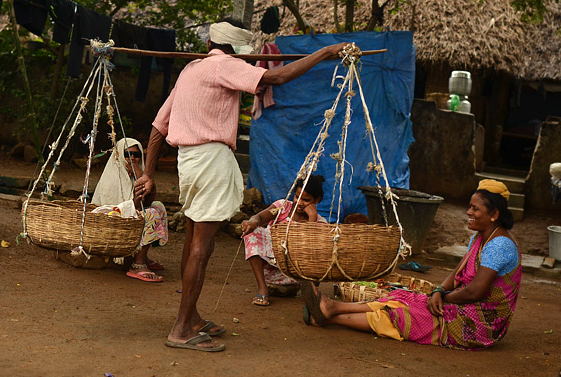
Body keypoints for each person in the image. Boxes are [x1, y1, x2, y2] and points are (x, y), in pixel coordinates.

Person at [134, 17, 348, 352]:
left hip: (189, 164)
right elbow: (276, 77)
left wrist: (148, 173)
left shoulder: (191, 70)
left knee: (195, 242)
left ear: (209, 44)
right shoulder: (225, 66)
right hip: (210, 162)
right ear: (236, 50)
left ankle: (190, 318)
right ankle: (180, 329)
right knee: (200, 250)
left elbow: (159, 126)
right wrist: (326, 52)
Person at [302, 179, 521, 350]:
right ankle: (331, 309)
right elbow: (458, 272)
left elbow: (475, 291)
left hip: (478, 323)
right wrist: (438, 290)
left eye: (475, 209)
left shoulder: (500, 245)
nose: (468, 212)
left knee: (407, 316)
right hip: (461, 304)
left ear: (494, 214)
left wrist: (443, 298)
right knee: (402, 297)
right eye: (470, 207)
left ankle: (331, 316)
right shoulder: (481, 236)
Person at [241, 175, 327, 307]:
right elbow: (259, 217)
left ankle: (303, 291)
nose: (299, 202)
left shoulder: (320, 222)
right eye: (297, 197)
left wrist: (312, 217)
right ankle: (263, 288)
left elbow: (311, 249)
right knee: (252, 233)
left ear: (317, 200)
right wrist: (252, 222)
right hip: (271, 268)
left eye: (306, 200)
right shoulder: (282, 206)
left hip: (295, 275)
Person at [92, 138, 169, 282]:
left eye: (136, 154)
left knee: (158, 207)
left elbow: (149, 200)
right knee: (150, 214)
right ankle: (137, 265)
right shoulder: (112, 178)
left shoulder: (137, 173)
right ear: (120, 156)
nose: (132, 158)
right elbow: (129, 209)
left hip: (130, 216)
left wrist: (142, 176)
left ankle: (142, 256)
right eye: (127, 154)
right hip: (113, 222)